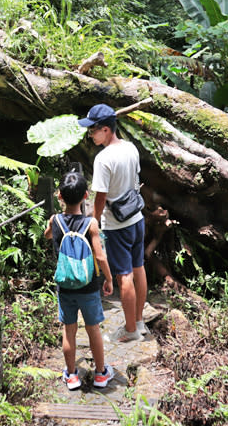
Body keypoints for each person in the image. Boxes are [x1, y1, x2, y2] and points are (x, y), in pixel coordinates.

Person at [78, 103, 148, 343]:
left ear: (106, 129)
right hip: (137, 218)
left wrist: (94, 222)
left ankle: (130, 331)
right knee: (139, 268)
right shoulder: (131, 148)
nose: (90, 135)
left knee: (124, 276)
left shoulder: (103, 159)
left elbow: (100, 196)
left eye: (93, 130)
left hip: (117, 225)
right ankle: (139, 322)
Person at [44, 170, 115, 390]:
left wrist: (52, 227)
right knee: (93, 329)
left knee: (69, 330)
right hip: (88, 286)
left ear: (59, 196)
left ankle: (72, 375)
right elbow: (100, 256)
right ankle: (101, 374)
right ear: (86, 196)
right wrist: (109, 279)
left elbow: (47, 235)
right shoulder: (91, 224)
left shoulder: (55, 220)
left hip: (65, 287)